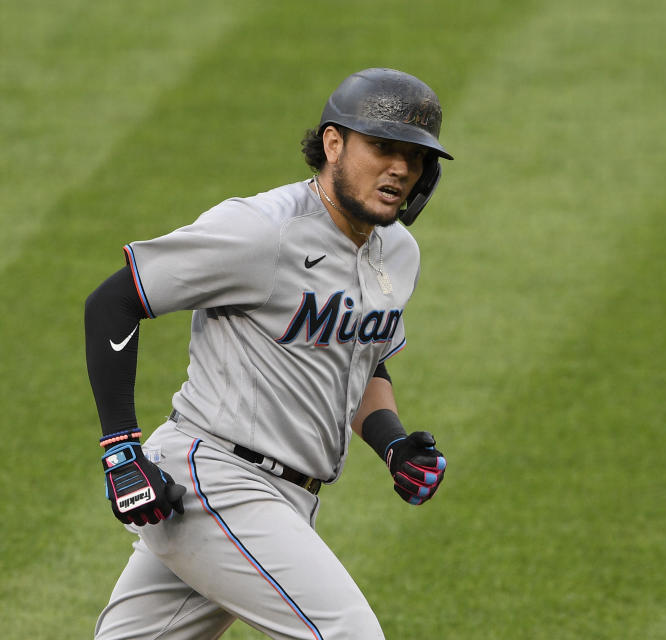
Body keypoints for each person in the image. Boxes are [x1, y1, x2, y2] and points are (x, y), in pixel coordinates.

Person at [84, 67, 452, 640]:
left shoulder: (398, 253)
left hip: (279, 499)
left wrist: (394, 444)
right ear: (334, 143)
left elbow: (361, 359)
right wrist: (120, 451)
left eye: (416, 156)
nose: (401, 168)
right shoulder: (261, 231)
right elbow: (113, 302)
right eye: (383, 147)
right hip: (217, 481)